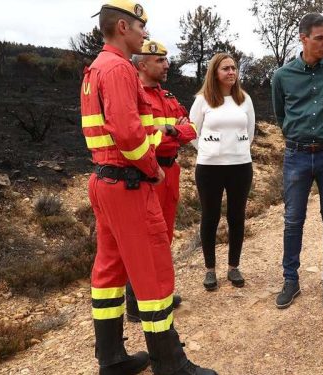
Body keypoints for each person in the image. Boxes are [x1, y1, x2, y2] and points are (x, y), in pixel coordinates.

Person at [81, 1, 216, 374]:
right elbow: (128, 133)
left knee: (110, 270)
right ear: (123, 26)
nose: (145, 33)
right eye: (142, 26)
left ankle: (111, 358)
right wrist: (152, 168)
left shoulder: (95, 68)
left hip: (103, 179)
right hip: (128, 183)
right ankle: (169, 363)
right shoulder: (120, 69)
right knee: (155, 271)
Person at [271, 12, 323, 309]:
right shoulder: (282, 76)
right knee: (293, 220)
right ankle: (290, 280)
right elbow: (280, 114)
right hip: (296, 155)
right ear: (303, 38)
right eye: (320, 38)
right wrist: (295, 134)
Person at [125, 39, 195, 322]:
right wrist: (172, 130)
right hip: (148, 174)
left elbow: (191, 128)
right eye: (160, 61)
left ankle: (158, 296)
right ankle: (135, 303)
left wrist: (173, 131)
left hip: (171, 172)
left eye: (166, 60)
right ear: (142, 65)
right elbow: (142, 139)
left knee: (164, 234)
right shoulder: (135, 96)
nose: (167, 65)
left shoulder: (167, 96)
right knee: (143, 238)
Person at [190, 53, 255, 292]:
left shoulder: (244, 99)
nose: (231, 72)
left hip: (240, 166)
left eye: (234, 68)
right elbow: (192, 132)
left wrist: (235, 152)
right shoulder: (202, 100)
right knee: (210, 217)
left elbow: (250, 131)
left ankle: (233, 267)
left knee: (236, 216)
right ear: (214, 72)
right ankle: (210, 270)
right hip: (209, 168)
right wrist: (210, 151)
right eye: (226, 68)